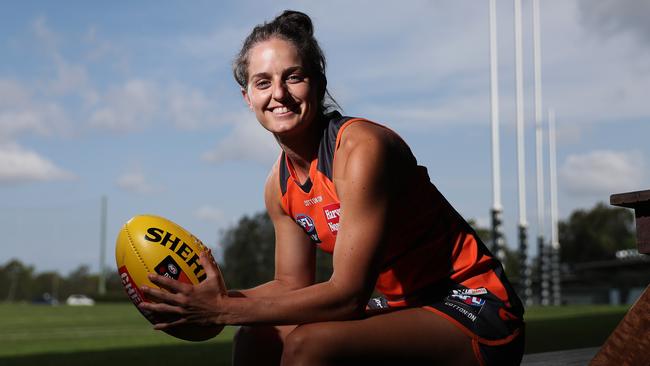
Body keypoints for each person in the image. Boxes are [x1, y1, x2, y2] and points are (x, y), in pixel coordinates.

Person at [139, 10, 525, 366]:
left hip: (471, 306)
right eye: (263, 83)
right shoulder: (279, 185)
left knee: (311, 344)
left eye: (293, 77)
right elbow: (291, 285)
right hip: (400, 308)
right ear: (248, 98)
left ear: (319, 84)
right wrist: (199, 301)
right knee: (257, 338)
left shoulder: (361, 150)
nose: (279, 94)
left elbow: (347, 295)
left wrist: (222, 310)